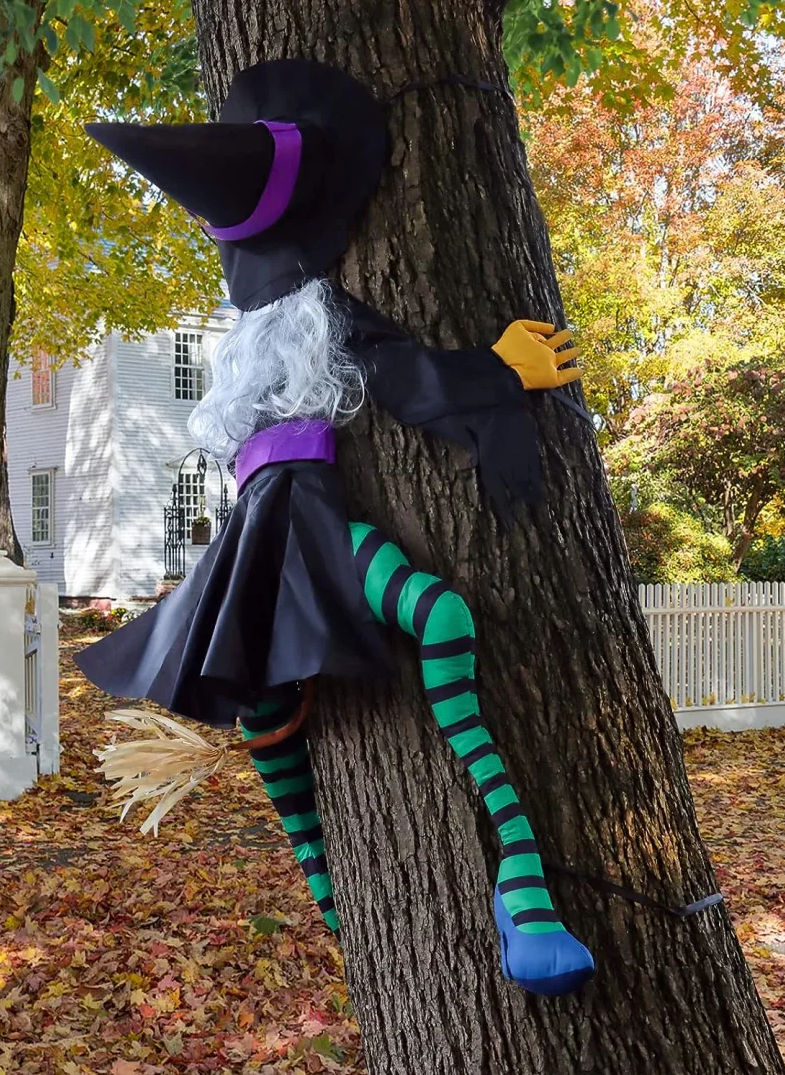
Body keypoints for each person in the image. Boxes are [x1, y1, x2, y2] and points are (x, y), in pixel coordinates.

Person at [76, 58, 593, 997]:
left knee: (439, 616)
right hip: (255, 552)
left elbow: (404, 378)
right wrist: (499, 370)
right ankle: (341, 920)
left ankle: (522, 887)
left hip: (310, 537)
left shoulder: (319, 319)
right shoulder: (255, 345)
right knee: (268, 707)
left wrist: (495, 369)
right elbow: (399, 381)